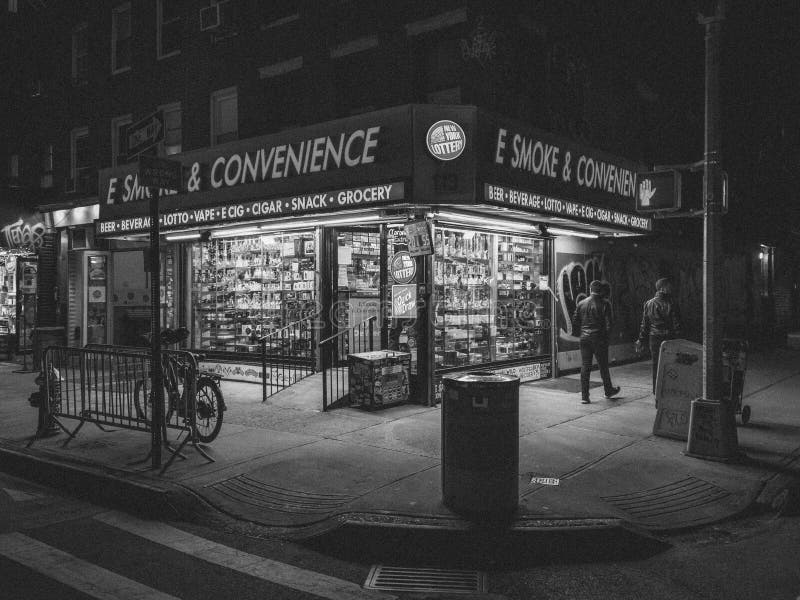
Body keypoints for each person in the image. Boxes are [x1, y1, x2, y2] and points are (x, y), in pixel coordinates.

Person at [573, 280, 620, 404]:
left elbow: (575, 321)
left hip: (584, 338)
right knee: (603, 366)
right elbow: (610, 323)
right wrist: (606, 337)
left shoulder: (581, 303)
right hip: (599, 338)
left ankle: (584, 396)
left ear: (590, 289)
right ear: (601, 290)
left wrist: (583, 332)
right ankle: (608, 391)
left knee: (585, 366)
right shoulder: (605, 303)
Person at [636, 277, 682, 394]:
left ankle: (656, 390)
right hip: (668, 338)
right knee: (671, 363)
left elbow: (644, 324)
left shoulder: (648, 303)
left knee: (656, 364)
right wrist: (679, 339)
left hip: (654, 338)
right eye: (669, 286)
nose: (671, 288)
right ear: (663, 288)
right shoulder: (672, 303)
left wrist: (641, 339)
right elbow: (676, 323)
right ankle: (669, 389)